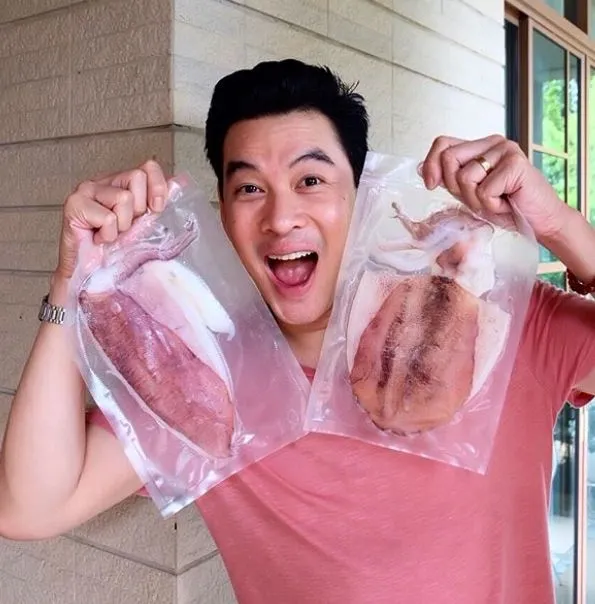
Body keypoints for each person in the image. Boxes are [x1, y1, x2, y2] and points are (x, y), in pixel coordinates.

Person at [1, 59, 595, 603]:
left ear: (360, 196)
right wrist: (72, 282)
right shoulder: (209, 386)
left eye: (310, 180)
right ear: (223, 215)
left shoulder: (497, 323)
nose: (281, 218)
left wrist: (559, 224)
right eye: (249, 188)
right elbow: (28, 508)